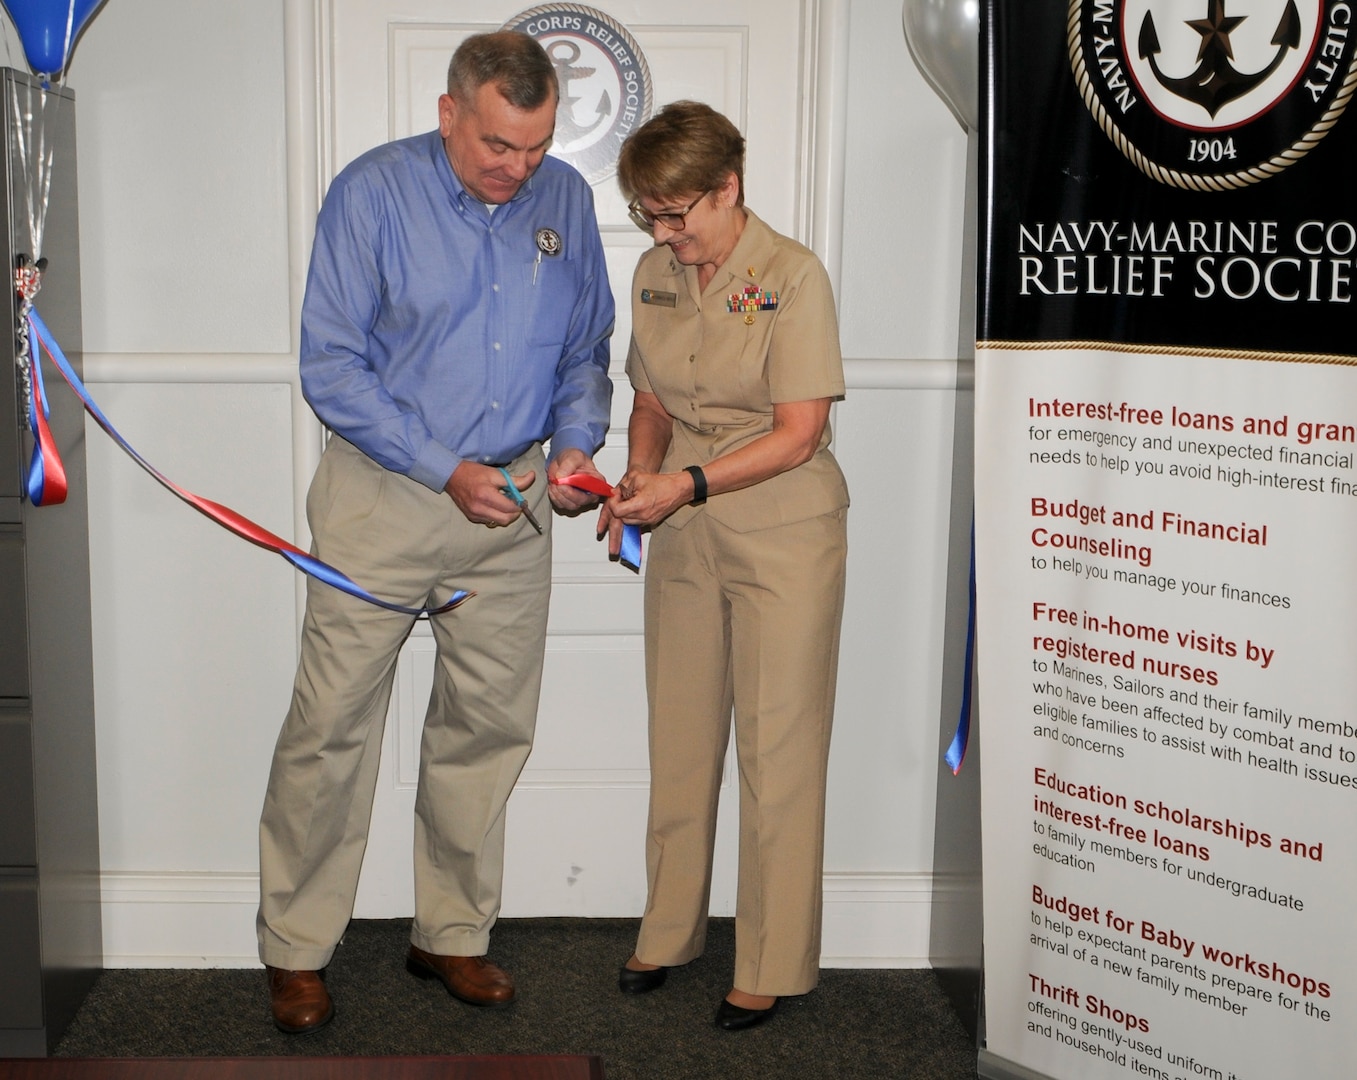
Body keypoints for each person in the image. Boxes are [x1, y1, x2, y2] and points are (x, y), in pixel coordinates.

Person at [256, 31, 614, 1034]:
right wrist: (440, 469)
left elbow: (587, 346)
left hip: (515, 505)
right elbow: (331, 368)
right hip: (386, 497)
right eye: (500, 144)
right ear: (449, 111)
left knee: (485, 729)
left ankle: (450, 934)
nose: (520, 169)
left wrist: (578, 444)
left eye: (537, 148)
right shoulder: (371, 194)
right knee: (330, 729)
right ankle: (295, 946)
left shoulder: (565, 204)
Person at [599, 101, 849, 1031]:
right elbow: (654, 399)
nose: (667, 235)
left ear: (728, 188)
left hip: (783, 527)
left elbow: (798, 434)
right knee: (682, 737)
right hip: (685, 526)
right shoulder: (655, 275)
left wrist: (686, 483)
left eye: (678, 215)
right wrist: (640, 469)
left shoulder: (792, 276)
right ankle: (669, 930)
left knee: (776, 752)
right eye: (649, 217)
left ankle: (770, 960)